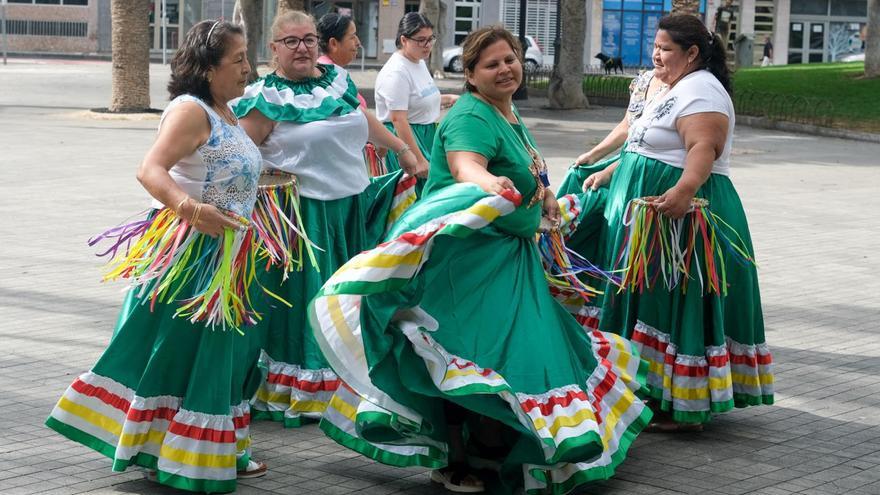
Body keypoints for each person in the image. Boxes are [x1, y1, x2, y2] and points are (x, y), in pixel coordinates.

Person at [309, 26, 651, 494]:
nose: (505, 69)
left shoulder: (505, 111)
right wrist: (486, 182)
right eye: (491, 64)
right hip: (467, 265)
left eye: (510, 59)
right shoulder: (471, 116)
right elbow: (466, 164)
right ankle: (456, 457)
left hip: (507, 258)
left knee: (514, 352)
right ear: (470, 75)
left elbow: (527, 170)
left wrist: (545, 194)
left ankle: (496, 445)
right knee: (465, 353)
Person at [46, 20, 269, 493]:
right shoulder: (191, 111)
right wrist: (193, 210)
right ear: (208, 68)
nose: (248, 68)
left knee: (215, 354)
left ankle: (213, 448)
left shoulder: (226, 110)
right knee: (175, 352)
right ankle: (164, 450)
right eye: (238, 60)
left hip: (224, 256)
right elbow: (150, 169)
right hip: (188, 257)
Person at [583, 14, 774, 431]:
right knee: (649, 297)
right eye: (655, 45)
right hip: (655, 213)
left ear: (691, 54)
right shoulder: (670, 86)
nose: (656, 54)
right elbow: (643, 139)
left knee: (669, 299)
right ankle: (647, 388)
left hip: (681, 218)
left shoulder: (702, 90)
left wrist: (685, 191)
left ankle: (677, 404)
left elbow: (703, 147)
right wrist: (612, 170)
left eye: (666, 48)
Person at [233, 10, 421, 429]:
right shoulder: (265, 97)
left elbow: (365, 121)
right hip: (303, 218)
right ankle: (309, 388)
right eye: (291, 41)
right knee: (310, 302)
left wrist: (404, 151)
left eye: (309, 39)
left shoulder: (336, 80)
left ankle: (350, 377)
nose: (302, 48)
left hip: (351, 208)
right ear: (273, 49)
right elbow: (239, 155)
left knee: (347, 300)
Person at [375, 12, 459, 176]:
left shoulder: (418, 61)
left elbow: (417, 99)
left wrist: (448, 98)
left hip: (426, 135)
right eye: (421, 40)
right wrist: (418, 159)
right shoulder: (396, 72)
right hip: (408, 140)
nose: (427, 45)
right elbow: (398, 118)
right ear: (404, 40)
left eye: (430, 39)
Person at [317, 12, 387, 176]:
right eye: (352, 36)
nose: (358, 42)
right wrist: (389, 143)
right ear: (334, 43)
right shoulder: (331, 74)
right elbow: (358, 113)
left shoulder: (329, 70)